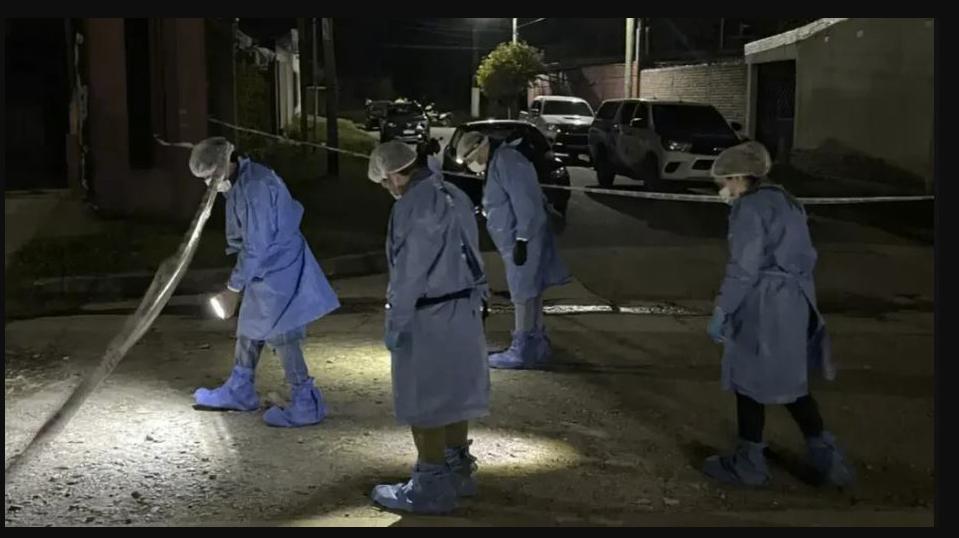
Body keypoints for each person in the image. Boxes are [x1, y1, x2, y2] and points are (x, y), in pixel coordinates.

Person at [703, 141, 854, 487]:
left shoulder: (749, 209)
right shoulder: (786, 201)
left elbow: (744, 267)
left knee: (748, 381)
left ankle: (749, 465)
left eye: (724, 182)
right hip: (795, 302)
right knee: (791, 382)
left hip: (763, 304)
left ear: (740, 177)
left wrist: (723, 309)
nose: (722, 189)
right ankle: (829, 461)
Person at [366, 141, 491, 514]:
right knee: (455, 394)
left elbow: (409, 272)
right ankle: (457, 469)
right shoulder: (453, 192)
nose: (386, 188)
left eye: (384, 182)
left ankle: (430, 484)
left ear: (394, 175)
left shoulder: (413, 206)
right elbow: (473, 251)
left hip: (428, 315)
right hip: (464, 308)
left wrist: (396, 321)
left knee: (425, 401)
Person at [189, 137, 340, 428]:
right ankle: (240, 389)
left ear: (227, 162)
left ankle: (306, 401)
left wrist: (233, 288)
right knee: (249, 326)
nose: (209, 183)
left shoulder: (256, 187)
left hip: (278, 266)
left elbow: (256, 245)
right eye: (205, 178)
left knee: (282, 331)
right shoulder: (241, 182)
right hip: (265, 267)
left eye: (211, 175)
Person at [456, 131, 571, 370]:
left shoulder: (507, 161)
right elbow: (503, 199)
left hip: (523, 240)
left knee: (523, 292)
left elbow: (525, 201)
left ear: (480, 147)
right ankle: (536, 343)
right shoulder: (500, 161)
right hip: (517, 240)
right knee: (530, 290)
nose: (472, 165)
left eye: (470, 160)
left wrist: (522, 238)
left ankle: (523, 349)